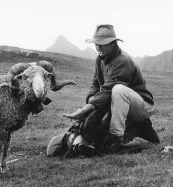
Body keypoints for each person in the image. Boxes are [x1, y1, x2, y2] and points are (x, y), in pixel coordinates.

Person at [63, 24, 159, 153]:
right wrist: (91, 105)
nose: (98, 47)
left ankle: (117, 137)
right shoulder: (100, 59)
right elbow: (95, 85)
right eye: (96, 43)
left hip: (142, 105)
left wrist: (85, 109)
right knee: (96, 130)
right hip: (120, 104)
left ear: (113, 43)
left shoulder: (122, 60)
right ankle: (140, 128)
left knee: (118, 90)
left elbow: (109, 90)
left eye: (102, 44)